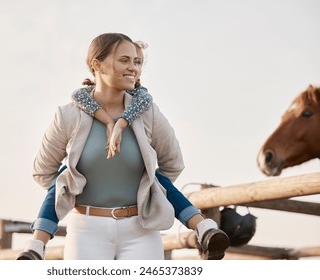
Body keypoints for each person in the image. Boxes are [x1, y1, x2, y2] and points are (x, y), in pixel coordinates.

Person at [18, 33, 229, 260]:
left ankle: (202, 226)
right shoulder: (68, 115)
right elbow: (43, 172)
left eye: (137, 62)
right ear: (97, 64)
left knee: (152, 177)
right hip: (87, 231)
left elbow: (173, 164)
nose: (134, 68)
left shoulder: (148, 113)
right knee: (65, 175)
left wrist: (145, 191)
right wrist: (72, 190)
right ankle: (36, 246)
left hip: (141, 231)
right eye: (124, 60)